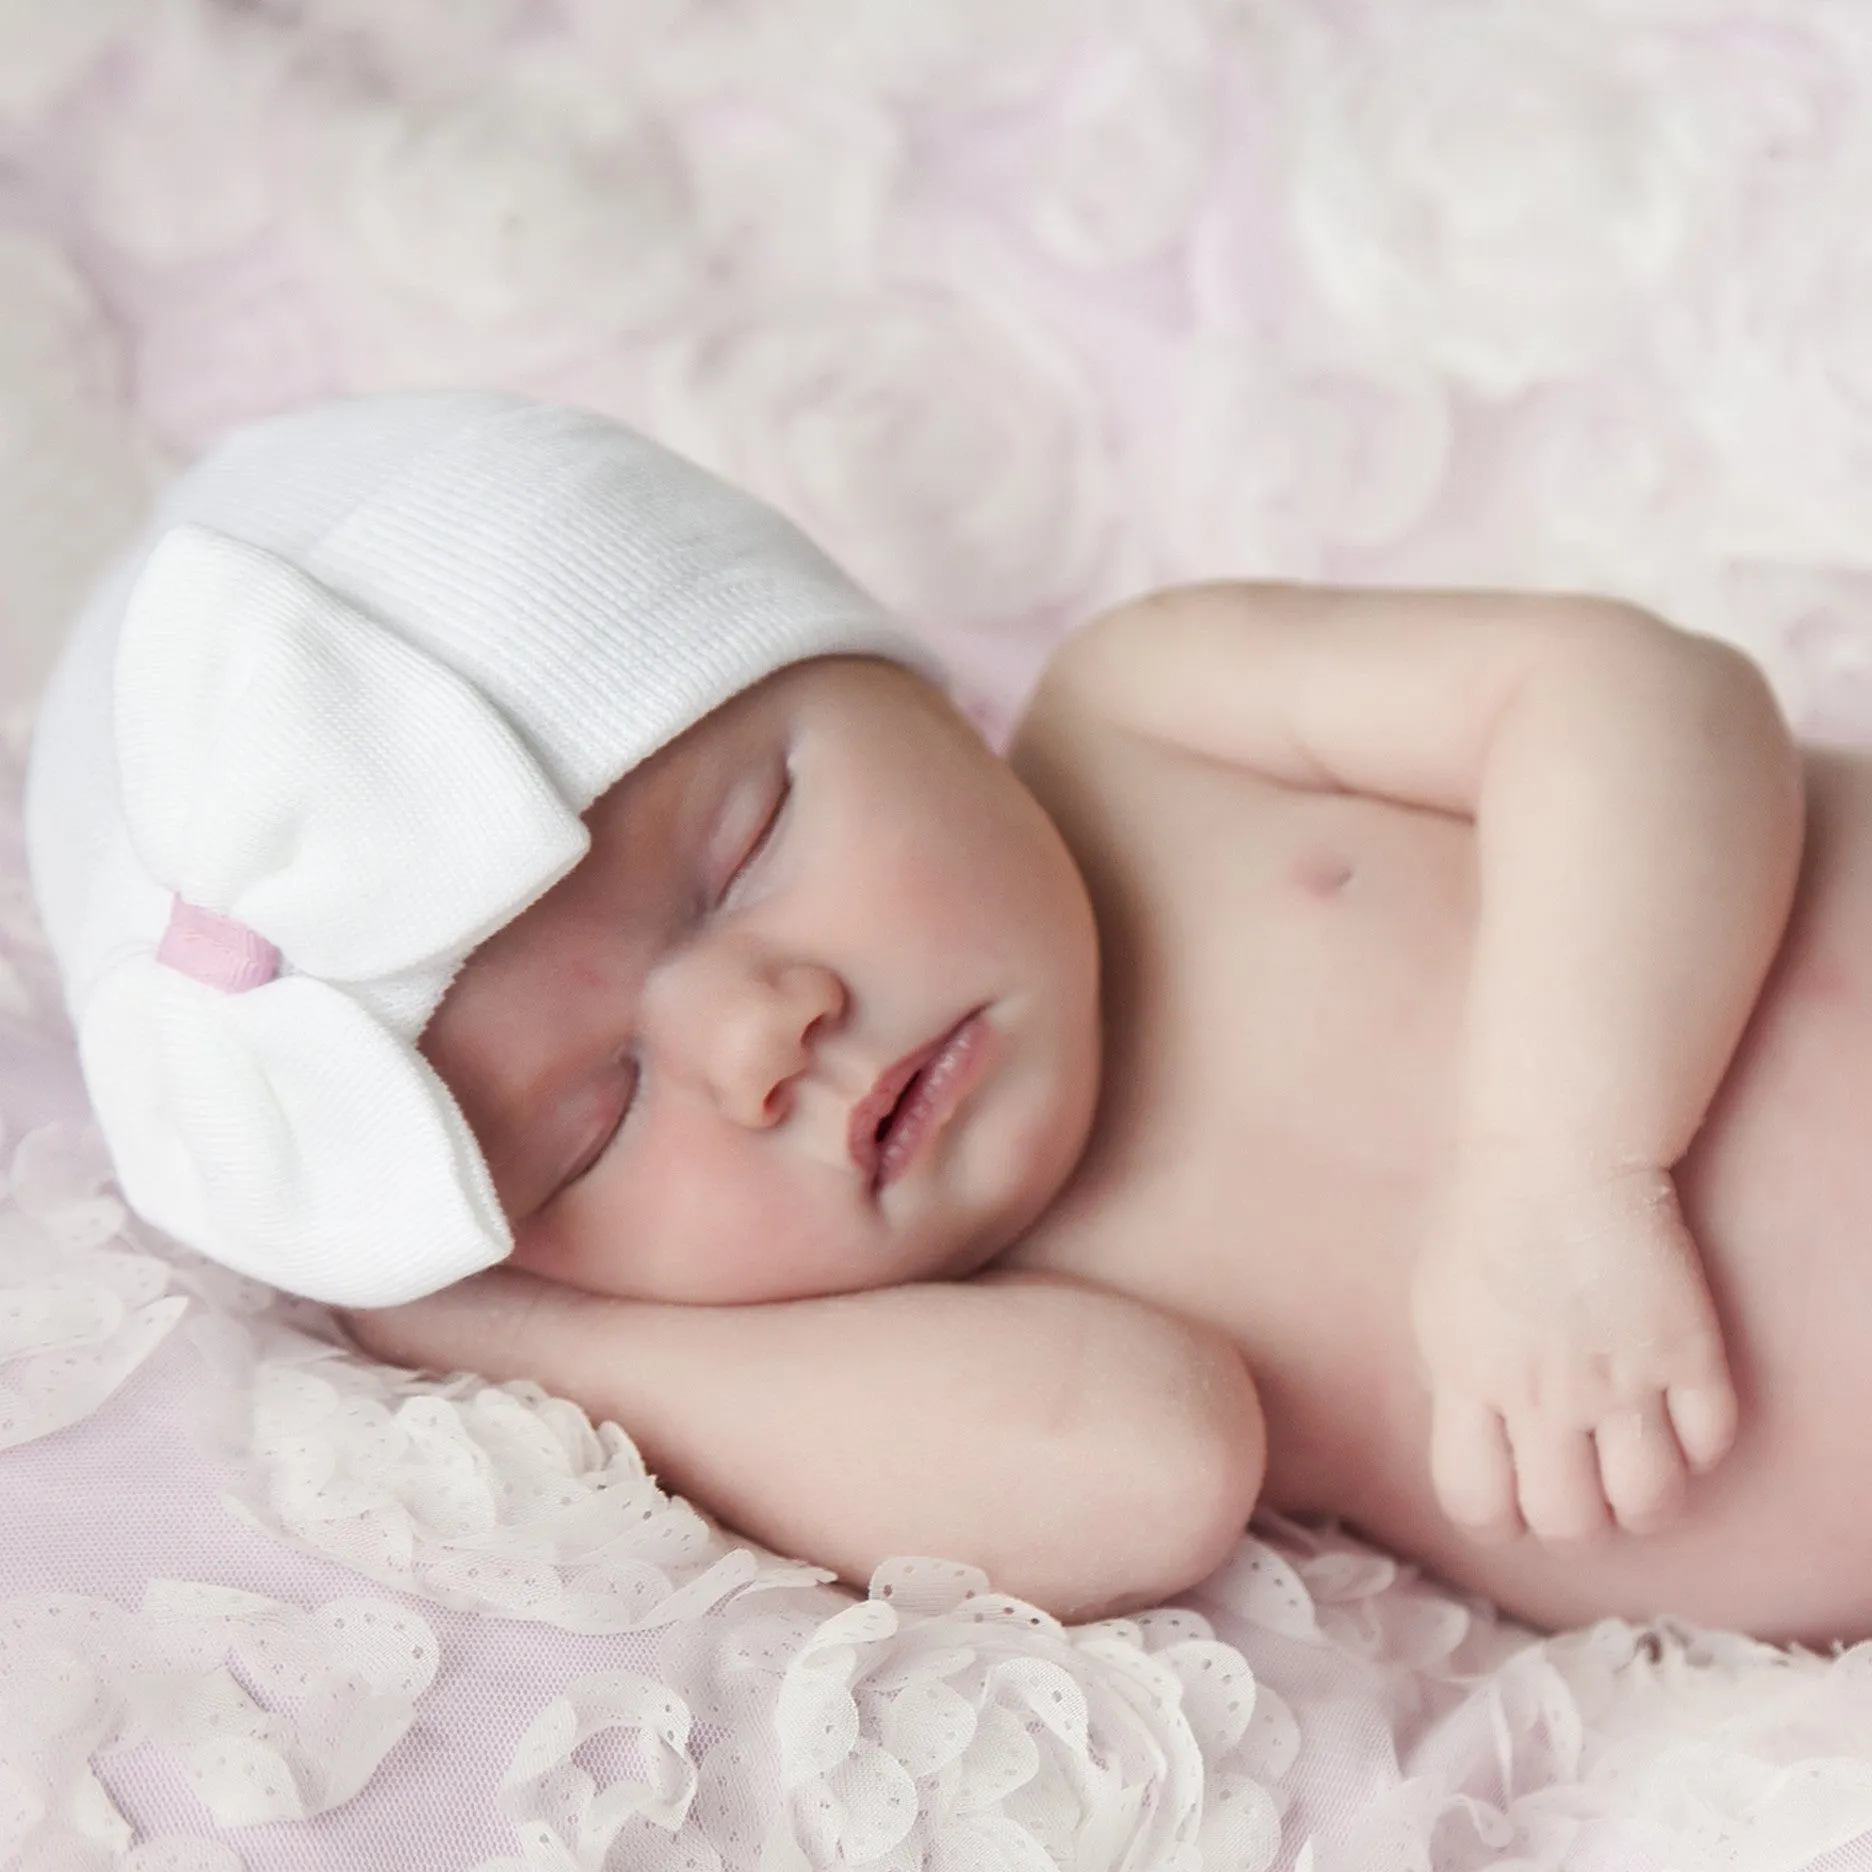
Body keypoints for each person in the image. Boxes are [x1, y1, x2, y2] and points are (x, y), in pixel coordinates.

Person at [29, 392, 1859, 1645]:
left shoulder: (1146, 717)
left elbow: (1631, 697)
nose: (764, 1036)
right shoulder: (967, 1338)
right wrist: (506, 1325)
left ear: (865, 661)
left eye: (742, 850)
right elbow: (1144, 1473)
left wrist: (1561, 1166)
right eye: (595, 1119)